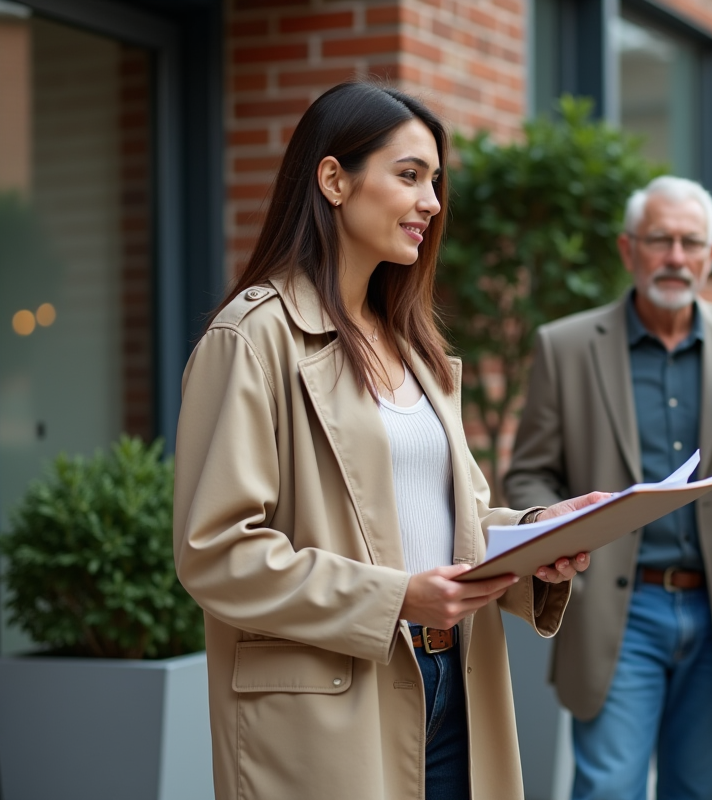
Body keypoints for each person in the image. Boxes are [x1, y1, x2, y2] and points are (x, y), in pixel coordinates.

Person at [172, 81, 606, 800]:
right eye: (410, 176)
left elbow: (444, 522)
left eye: (435, 182)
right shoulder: (252, 338)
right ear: (334, 179)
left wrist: (535, 536)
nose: (432, 203)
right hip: (329, 705)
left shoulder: (412, 346)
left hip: (455, 683)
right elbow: (215, 553)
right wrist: (396, 599)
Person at [504, 175, 712, 800]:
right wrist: (560, 529)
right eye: (660, 240)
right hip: (615, 609)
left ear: (710, 255)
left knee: (696, 788)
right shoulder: (565, 346)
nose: (675, 257)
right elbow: (529, 473)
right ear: (629, 250)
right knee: (608, 788)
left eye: (690, 242)